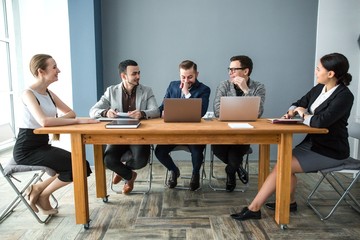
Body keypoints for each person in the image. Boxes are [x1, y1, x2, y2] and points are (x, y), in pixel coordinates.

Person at [231, 53, 354, 221]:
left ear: (331, 74)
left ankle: (254, 208)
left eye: (319, 69)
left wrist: (303, 114)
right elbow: (299, 102)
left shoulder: (344, 96)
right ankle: (290, 203)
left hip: (330, 150)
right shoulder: (320, 88)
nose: (316, 72)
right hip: (311, 144)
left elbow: (320, 122)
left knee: (283, 165)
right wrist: (292, 110)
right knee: (283, 165)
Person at [13, 54, 98, 215]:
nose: (58, 70)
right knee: (78, 167)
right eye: (54, 67)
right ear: (41, 71)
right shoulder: (28, 94)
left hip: (42, 146)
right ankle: (42, 195)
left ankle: (39, 190)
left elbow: (71, 113)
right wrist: (75, 122)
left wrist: (57, 120)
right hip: (26, 151)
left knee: (82, 165)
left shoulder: (49, 93)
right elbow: (44, 122)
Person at [89, 59, 160, 194]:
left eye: (139, 73)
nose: (138, 76)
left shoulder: (146, 91)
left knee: (140, 161)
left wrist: (142, 113)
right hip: (118, 136)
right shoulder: (111, 91)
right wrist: (106, 112)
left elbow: (156, 111)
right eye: (134, 74)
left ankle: (122, 171)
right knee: (108, 160)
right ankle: (129, 176)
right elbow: (93, 111)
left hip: (140, 136)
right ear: (123, 76)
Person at [155, 60, 211, 191]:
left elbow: (201, 112)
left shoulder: (204, 89)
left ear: (197, 74)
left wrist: (186, 93)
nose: (186, 80)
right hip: (173, 132)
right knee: (159, 152)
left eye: (190, 77)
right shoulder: (172, 86)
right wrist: (161, 112)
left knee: (197, 152)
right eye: (183, 77)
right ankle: (174, 170)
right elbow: (163, 106)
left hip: (194, 133)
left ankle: (195, 174)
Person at [212, 55, 266, 192]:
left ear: (246, 71)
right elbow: (218, 111)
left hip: (244, 132)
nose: (230, 73)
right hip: (222, 131)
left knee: (237, 150)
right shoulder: (224, 85)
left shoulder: (258, 87)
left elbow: (257, 113)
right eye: (229, 69)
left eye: (233, 70)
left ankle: (230, 171)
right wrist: (243, 112)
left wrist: (246, 91)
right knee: (218, 149)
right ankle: (237, 167)